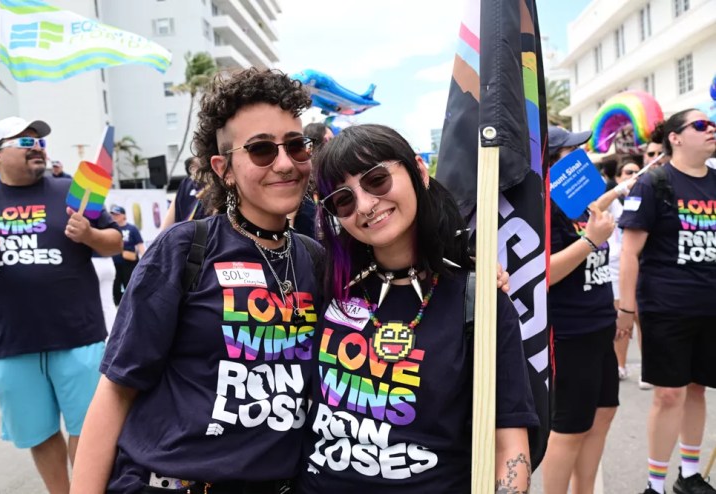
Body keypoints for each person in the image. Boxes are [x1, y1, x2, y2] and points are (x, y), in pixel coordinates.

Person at [71, 68, 323, 494]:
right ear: (224, 169)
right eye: (261, 149)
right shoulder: (183, 249)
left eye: (296, 146)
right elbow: (115, 392)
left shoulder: (315, 258)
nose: (284, 163)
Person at [296, 124, 537, 493]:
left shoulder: (479, 298)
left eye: (376, 180)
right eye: (343, 200)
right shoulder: (326, 285)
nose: (364, 205)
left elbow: (510, 445)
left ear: (419, 171)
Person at [0, 116, 122, 493]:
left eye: (39, 142)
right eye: (25, 143)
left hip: (77, 335)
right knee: (38, 432)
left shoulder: (69, 190)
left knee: (86, 428)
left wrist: (90, 234)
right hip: (10, 341)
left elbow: (114, 243)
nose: (37, 147)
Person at [618, 110, 716, 494]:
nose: (711, 129)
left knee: (697, 389)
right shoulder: (654, 183)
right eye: (701, 125)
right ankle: (654, 484)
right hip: (665, 307)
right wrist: (626, 308)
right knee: (669, 393)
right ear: (675, 137)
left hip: (710, 307)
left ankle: (689, 475)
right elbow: (629, 253)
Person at [542, 126, 621, 494]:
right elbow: (544, 274)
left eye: (581, 151)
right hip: (570, 331)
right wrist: (591, 240)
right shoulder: (544, 207)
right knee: (570, 426)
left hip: (600, 323)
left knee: (603, 413)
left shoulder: (583, 201)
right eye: (570, 152)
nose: (580, 159)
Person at [606, 160, 652, 389]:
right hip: (617, 267)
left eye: (636, 171)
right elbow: (595, 206)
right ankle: (620, 365)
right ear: (618, 177)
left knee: (641, 319)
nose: (634, 175)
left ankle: (648, 369)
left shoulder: (649, 195)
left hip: (645, 265)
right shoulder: (613, 202)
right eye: (628, 172)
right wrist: (616, 191)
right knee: (622, 318)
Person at [109, 205, 145, 305]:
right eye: (113, 214)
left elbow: (140, 245)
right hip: (115, 263)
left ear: (123, 215)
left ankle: (131, 305)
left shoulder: (132, 229)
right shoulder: (111, 229)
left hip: (129, 263)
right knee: (115, 287)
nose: (114, 216)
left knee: (129, 285)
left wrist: (145, 260)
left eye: (117, 214)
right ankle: (119, 306)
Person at [159, 156, 207, 230]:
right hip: (187, 236)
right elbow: (166, 228)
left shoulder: (220, 183)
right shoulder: (186, 185)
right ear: (192, 169)